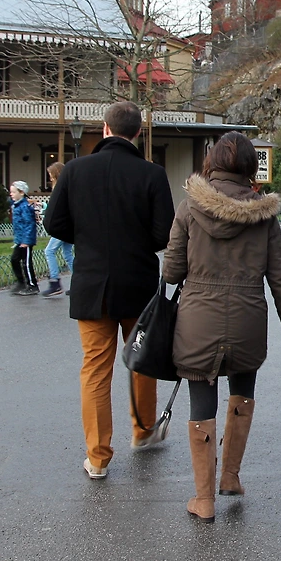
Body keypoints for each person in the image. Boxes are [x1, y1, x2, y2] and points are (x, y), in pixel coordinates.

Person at [162, 131, 281, 523]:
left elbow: (171, 271)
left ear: (212, 163)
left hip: (198, 320)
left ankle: (204, 499)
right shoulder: (264, 215)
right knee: (242, 390)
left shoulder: (189, 208)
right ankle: (231, 477)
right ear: (249, 168)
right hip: (247, 319)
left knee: (201, 400)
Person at [43, 101, 176, 480]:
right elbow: (162, 234)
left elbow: (53, 223)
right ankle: (143, 430)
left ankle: (98, 457)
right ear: (138, 133)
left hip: (91, 284)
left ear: (104, 129)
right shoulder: (152, 174)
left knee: (95, 369)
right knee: (141, 358)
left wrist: (87, 238)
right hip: (137, 282)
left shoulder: (75, 170)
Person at [41, 162, 74, 297]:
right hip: (69, 225)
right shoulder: (69, 186)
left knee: (49, 251)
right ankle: (78, 281)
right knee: (67, 253)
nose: (50, 178)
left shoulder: (60, 188)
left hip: (62, 225)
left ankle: (55, 282)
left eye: (51, 175)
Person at [9, 180, 39, 296]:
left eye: (13, 192)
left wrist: (26, 241)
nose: (11, 194)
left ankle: (32, 285)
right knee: (14, 259)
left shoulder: (25, 207)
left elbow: (29, 224)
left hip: (26, 240)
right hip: (20, 239)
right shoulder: (16, 205)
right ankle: (21, 282)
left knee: (26, 263)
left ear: (21, 193)